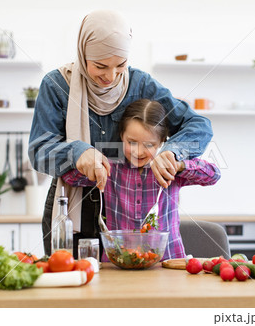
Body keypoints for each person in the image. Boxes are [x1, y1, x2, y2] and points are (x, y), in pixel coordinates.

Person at [28, 10, 213, 257]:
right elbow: (39, 151)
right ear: (83, 55)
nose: (111, 76)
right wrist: (76, 152)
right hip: (72, 208)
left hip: (125, 214)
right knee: (72, 286)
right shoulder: (57, 86)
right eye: (100, 66)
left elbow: (198, 124)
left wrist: (172, 153)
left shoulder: (141, 84)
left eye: (121, 65)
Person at [61, 99, 221, 261]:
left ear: (162, 142)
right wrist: (88, 163)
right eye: (132, 142)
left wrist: (179, 165)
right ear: (122, 136)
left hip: (168, 262)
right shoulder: (110, 167)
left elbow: (213, 175)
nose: (139, 151)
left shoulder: (170, 168)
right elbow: (68, 177)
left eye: (149, 145)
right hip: (119, 262)